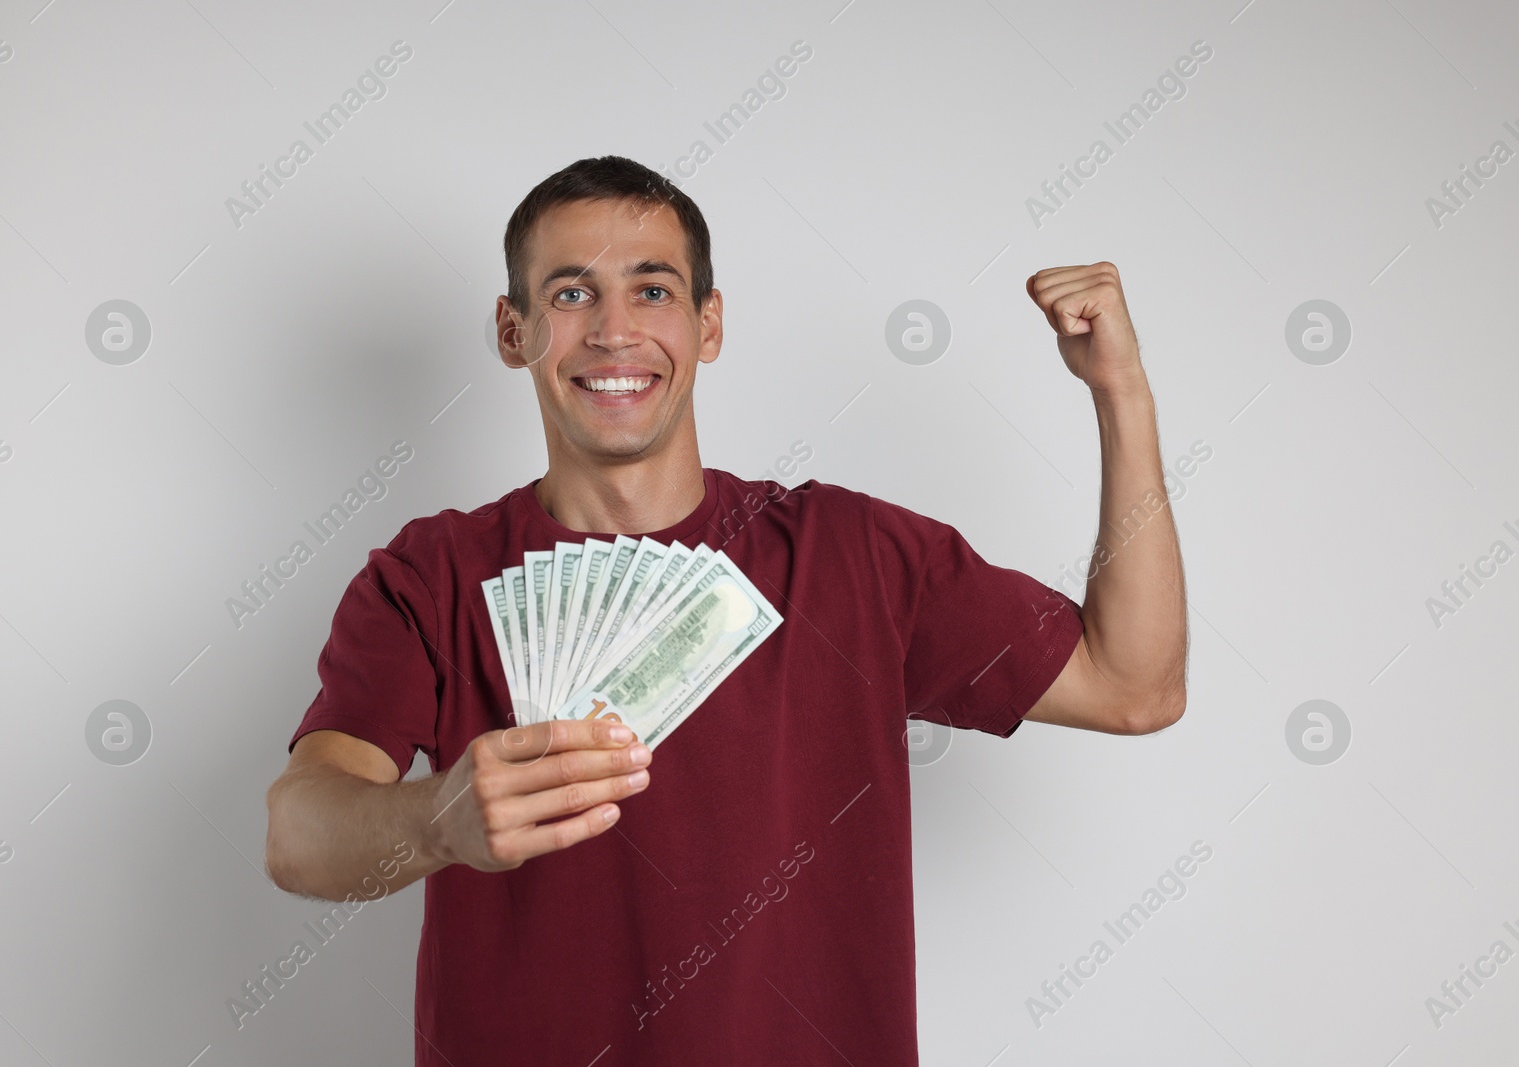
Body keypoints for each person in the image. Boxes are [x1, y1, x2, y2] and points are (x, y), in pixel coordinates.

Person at [263, 154, 1188, 1065]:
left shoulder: (854, 555)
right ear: (514, 332)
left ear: (710, 324)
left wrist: (1122, 392)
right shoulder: (431, 575)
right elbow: (299, 835)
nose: (615, 332)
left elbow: (1134, 685)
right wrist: (437, 820)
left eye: (654, 290)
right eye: (573, 295)